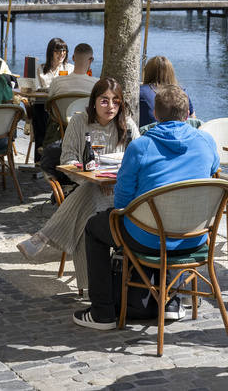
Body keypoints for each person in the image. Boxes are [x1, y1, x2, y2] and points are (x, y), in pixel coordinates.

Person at [74, 84, 219, 330]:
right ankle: (169, 302)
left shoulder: (141, 146)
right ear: (187, 115)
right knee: (168, 223)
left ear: (155, 114)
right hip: (194, 237)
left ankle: (102, 313)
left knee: (94, 228)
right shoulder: (206, 141)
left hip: (148, 238)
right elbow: (212, 170)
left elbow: (122, 202)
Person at [18, 78, 138, 288]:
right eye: (104, 101)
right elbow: (68, 160)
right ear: (94, 101)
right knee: (88, 216)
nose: (111, 106)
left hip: (121, 192)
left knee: (89, 203)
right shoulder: (79, 122)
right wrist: (90, 178)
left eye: (116, 101)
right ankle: (93, 289)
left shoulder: (127, 124)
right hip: (89, 187)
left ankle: (44, 237)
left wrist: (116, 181)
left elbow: (139, 161)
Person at [136, 55, 194, 128]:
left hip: (147, 132)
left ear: (147, 72)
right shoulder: (182, 92)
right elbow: (192, 117)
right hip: (179, 132)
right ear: (171, 72)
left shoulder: (140, 92)